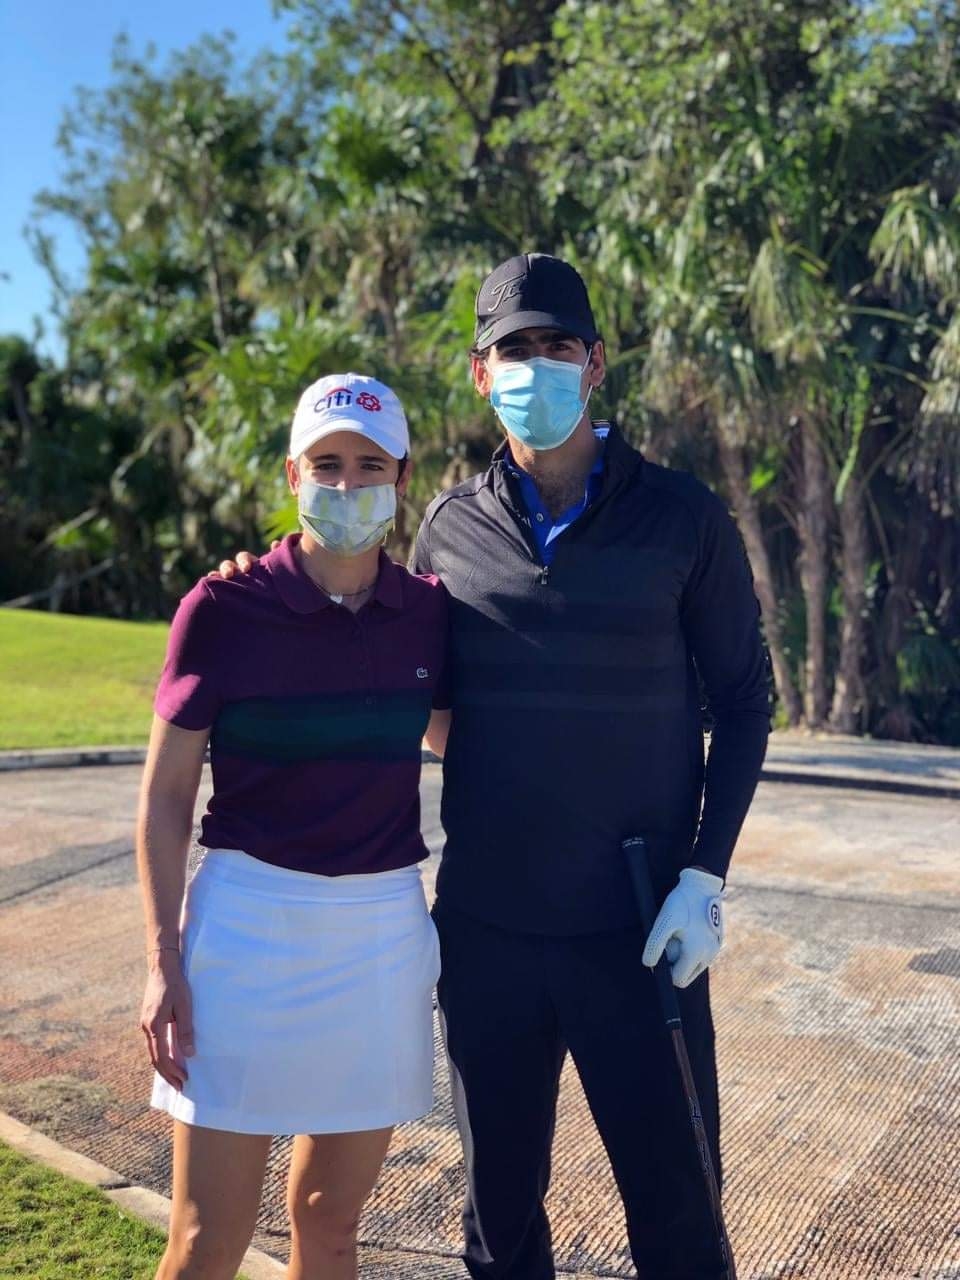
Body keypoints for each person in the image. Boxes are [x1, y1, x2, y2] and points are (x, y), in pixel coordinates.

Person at [224, 254, 771, 1279]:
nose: (537, 367)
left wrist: (708, 871)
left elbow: (744, 700)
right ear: (482, 373)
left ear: (596, 362)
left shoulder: (684, 519)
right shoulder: (446, 526)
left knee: (682, 1217)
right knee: (499, 1225)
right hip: (488, 936)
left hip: (641, 928)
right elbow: (375, 643)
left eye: (556, 347)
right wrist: (248, 583)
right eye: (515, 350)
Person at [137, 372, 450, 1280]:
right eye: (326, 464)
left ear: (400, 474)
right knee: (206, 1240)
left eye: (367, 464)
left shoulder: (430, 614)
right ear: (291, 473)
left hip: (381, 937)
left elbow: (467, 741)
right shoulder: (223, 609)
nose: (347, 485)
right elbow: (164, 801)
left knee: (331, 1223)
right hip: (244, 934)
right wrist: (163, 960)